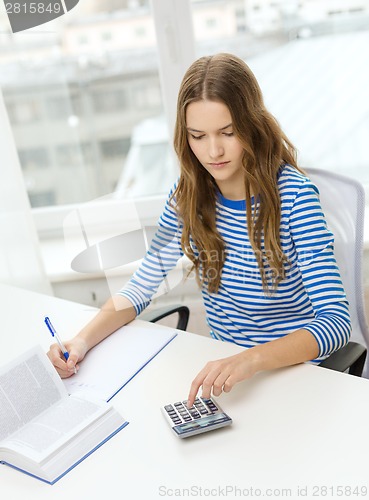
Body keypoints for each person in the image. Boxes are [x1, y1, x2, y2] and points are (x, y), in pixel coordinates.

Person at [48, 53, 351, 408]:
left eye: (228, 132)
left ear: (252, 125)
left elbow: (336, 322)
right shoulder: (189, 194)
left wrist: (249, 360)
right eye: (198, 136)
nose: (214, 151)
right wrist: (81, 342)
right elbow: (143, 285)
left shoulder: (295, 199)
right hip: (227, 376)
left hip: (288, 373)